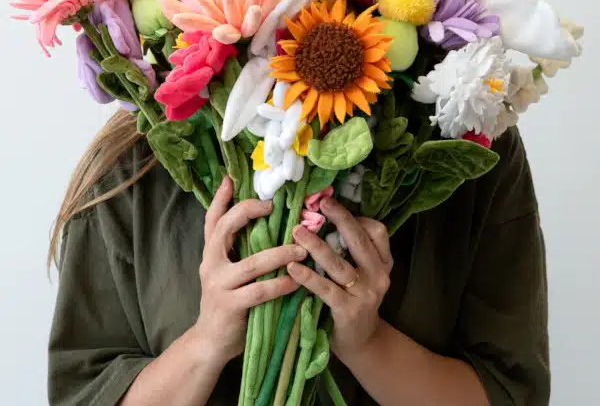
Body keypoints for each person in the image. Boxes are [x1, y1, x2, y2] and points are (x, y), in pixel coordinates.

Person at [48, 109, 550, 406]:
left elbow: (508, 392)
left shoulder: (470, 144)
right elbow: (83, 393)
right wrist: (207, 341)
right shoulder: (138, 157)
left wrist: (368, 343)